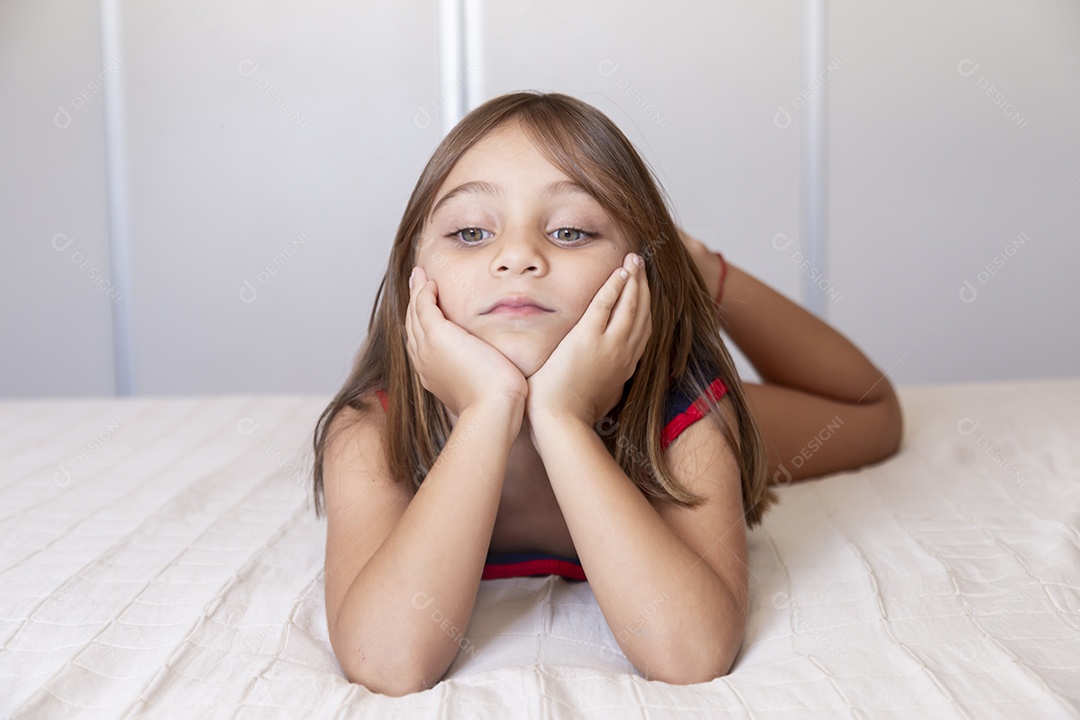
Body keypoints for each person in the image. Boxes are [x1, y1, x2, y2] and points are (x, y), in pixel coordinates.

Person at [309, 91, 902, 696]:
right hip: (416, 374)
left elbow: (689, 654)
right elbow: (386, 662)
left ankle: (689, 266)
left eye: (570, 231)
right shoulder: (373, 428)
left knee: (874, 416)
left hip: (642, 383)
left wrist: (563, 420)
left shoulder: (684, 415)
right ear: (414, 269)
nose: (517, 256)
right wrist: (487, 412)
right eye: (469, 232)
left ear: (635, 271)